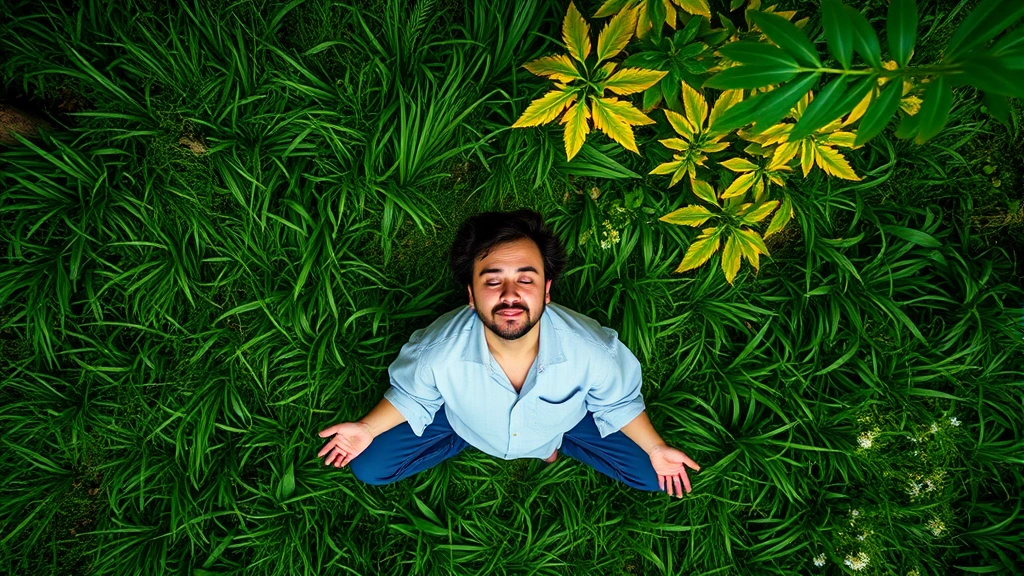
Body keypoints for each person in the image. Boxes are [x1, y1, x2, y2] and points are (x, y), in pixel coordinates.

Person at [317, 210, 700, 497]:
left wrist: (656, 447)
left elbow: (618, 402)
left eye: (525, 279)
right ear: (471, 294)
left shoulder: (593, 351)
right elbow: (412, 396)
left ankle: (553, 441)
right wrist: (367, 429)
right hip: (462, 420)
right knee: (369, 466)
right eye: (493, 280)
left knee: (654, 473)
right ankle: (474, 435)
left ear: (546, 290)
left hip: (564, 422)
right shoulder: (436, 351)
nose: (510, 295)